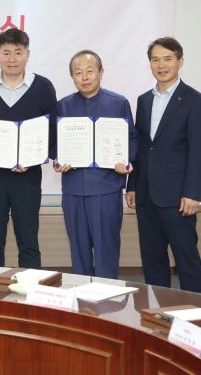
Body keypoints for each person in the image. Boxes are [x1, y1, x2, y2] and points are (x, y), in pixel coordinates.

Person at [0, 28, 58, 268]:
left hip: (27, 176)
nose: (12, 58)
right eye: (6, 53)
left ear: (27, 54)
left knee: (29, 241)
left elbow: (53, 128)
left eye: (18, 52)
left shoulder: (43, 87)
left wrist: (36, 157)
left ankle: (30, 289)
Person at [53, 50, 138, 278]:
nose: (84, 77)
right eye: (78, 72)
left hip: (106, 189)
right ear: (72, 77)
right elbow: (55, 143)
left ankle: (107, 296)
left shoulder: (118, 103)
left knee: (106, 250)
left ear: (101, 72)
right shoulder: (63, 106)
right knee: (78, 251)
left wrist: (125, 160)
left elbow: (131, 139)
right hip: (73, 190)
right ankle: (82, 296)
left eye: (90, 71)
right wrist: (57, 159)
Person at [126, 37, 201, 293]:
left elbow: (197, 150)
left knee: (187, 261)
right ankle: (157, 312)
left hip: (178, 197)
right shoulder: (143, 100)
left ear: (180, 61)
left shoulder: (194, 100)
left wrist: (193, 193)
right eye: (155, 60)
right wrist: (132, 185)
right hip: (146, 194)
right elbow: (142, 147)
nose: (161, 65)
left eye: (167, 59)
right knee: (153, 261)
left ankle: (194, 313)